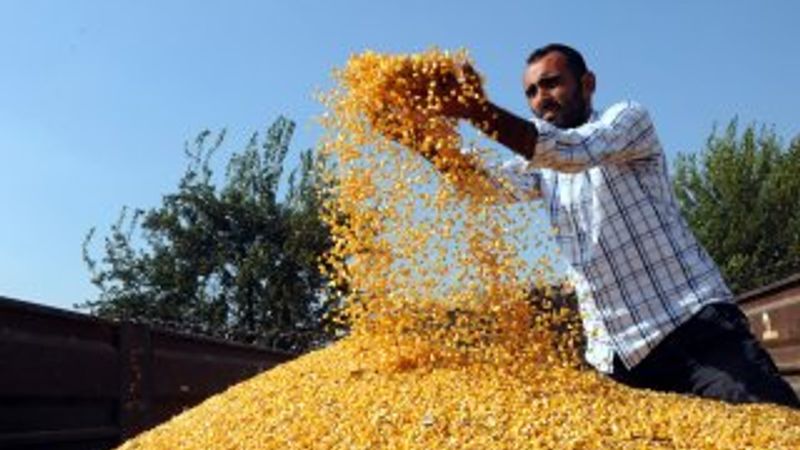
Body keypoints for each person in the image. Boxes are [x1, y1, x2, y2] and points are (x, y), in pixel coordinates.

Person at [406, 43, 800, 408]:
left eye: (551, 83)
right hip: (618, 365)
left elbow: (575, 151)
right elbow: (483, 185)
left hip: (697, 337)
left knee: (771, 429)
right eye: (530, 92)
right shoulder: (543, 170)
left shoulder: (627, 122)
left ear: (587, 83)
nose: (540, 98)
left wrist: (476, 110)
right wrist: (420, 139)